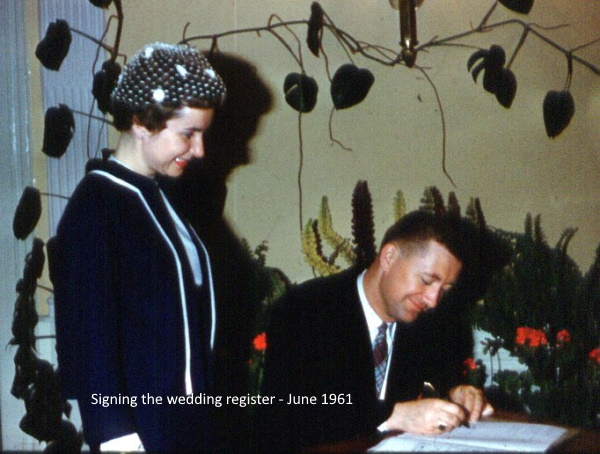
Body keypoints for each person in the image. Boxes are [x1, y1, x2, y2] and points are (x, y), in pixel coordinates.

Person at [48, 42, 226, 452]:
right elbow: (89, 340)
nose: (199, 150)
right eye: (188, 134)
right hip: (141, 432)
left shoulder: (160, 196)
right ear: (142, 122)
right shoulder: (97, 206)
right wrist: (114, 438)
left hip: (187, 423)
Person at [259, 210, 496, 449]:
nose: (433, 300)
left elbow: (438, 379)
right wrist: (392, 415)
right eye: (426, 281)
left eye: (444, 289)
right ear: (389, 257)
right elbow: (290, 408)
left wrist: (457, 394)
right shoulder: (305, 308)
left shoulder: (430, 324)